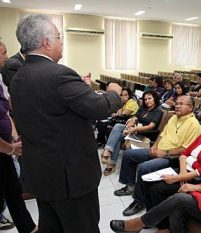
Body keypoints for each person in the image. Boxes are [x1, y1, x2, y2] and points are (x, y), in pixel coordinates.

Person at [10, 14, 123, 233]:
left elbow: (49, 109)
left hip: (42, 173)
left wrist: (77, 89)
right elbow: (99, 109)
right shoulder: (59, 74)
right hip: (70, 178)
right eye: (59, 37)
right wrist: (113, 93)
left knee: (52, 226)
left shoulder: (20, 76)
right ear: (46, 42)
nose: (61, 42)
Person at [143, 108, 201, 229]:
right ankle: (157, 220)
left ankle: (162, 225)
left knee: (156, 188)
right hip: (183, 170)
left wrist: (179, 176)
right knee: (149, 182)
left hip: (195, 179)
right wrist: (182, 172)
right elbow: (185, 153)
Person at [114, 95, 201, 216]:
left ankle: (139, 201)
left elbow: (186, 150)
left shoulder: (194, 125)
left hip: (172, 157)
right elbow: (162, 134)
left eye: (181, 104)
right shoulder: (174, 118)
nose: (177, 106)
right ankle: (130, 187)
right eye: (176, 103)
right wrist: (155, 146)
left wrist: (165, 153)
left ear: (191, 107)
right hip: (158, 149)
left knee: (144, 167)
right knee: (129, 154)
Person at [0, 40, 37, 233]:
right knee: (11, 188)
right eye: (3, 52)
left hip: (6, 145)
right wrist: (10, 148)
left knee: (13, 189)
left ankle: (28, 228)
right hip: (3, 147)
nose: (7, 56)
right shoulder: (14, 65)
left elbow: (6, 109)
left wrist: (14, 136)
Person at [100, 90, 162, 175]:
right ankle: (108, 152)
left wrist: (135, 130)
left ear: (155, 98)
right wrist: (128, 127)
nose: (147, 101)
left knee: (117, 136)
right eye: (145, 99)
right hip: (134, 130)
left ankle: (110, 162)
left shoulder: (158, 110)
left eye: (149, 98)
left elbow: (151, 126)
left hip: (144, 134)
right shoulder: (143, 107)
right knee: (118, 127)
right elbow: (135, 117)